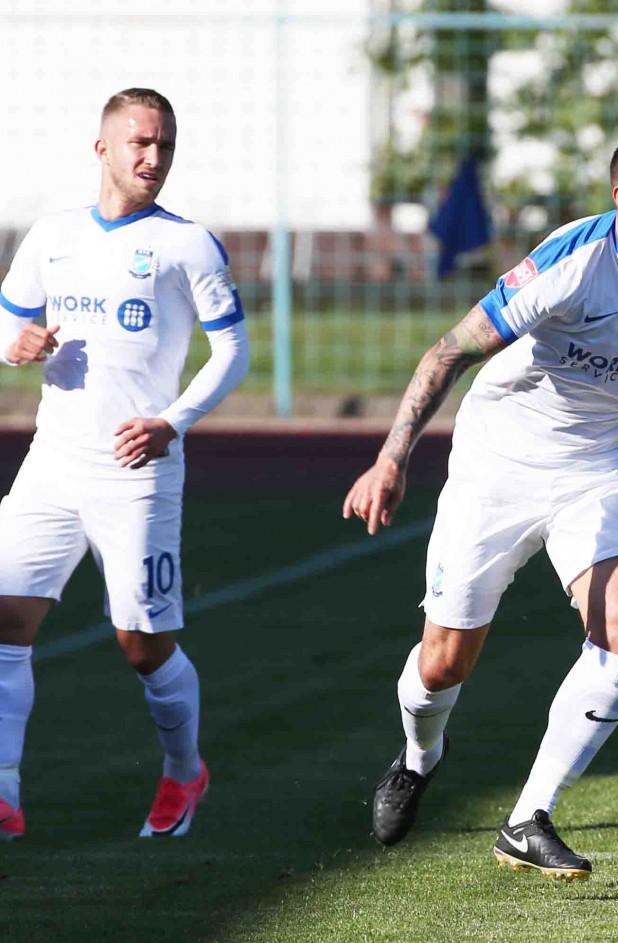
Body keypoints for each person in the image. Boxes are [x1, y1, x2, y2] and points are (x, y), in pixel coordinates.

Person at [343, 129, 618, 880]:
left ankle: (529, 819)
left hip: (600, 470)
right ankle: (420, 757)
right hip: (497, 463)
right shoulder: (570, 262)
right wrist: (392, 458)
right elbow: (450, 351)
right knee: (443, 663)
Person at [0, 88, 250, 841]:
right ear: (102, 147)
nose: (154, 157)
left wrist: (173, 421)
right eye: (141, 142)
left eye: (165, 144)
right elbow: (10, 324)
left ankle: (183, 770)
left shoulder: (188, 244)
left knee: (140, 643)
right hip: (52, 460)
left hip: (136, 469)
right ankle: (4, 793)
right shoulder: (52, 235)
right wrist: (15, 346)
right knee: (6, 618)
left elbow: (233, 352)